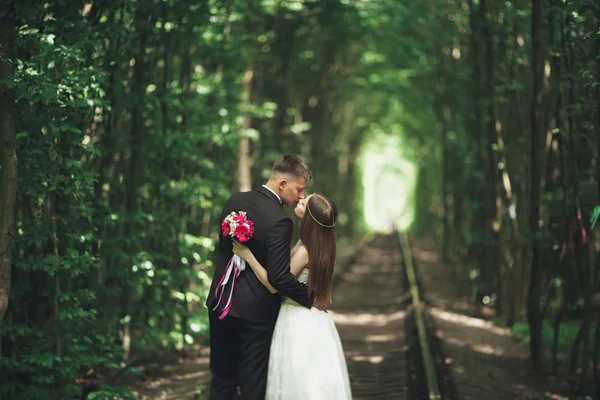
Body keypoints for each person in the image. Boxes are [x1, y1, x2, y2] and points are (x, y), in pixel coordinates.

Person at [205, 155, 323, 400]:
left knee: (222, 381)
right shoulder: (280, 221)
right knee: (253, 384)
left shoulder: (233, 201)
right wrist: (309, 297)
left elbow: (223, 252)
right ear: (282, 184)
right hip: (256, 316)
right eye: (299, 189)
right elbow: (279, 278)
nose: (301, 196)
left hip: (220, 303)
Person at [232, 193, 352, 400]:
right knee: (308, 381)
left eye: (305, 203)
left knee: (296, 380)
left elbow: (274, 284)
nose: (301, 199)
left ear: (310, 217)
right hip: (315, 320)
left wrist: (248, 255)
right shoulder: (316, 245)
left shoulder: (306, 250)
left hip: (297, 320)